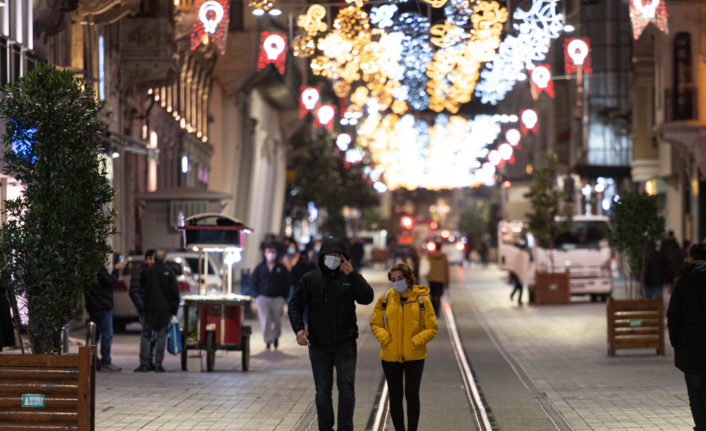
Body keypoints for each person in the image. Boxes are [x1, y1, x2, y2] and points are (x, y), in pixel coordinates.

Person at [288, 238, 374, 431]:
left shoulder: (349, 278)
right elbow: (294, 305)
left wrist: (353, 274)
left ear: (345, 259)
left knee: (346, 389)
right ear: (322, 257)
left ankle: (345, 428)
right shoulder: (310, 279)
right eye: (330, 255)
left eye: (338, 256)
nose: (333, 259)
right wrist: (299, 329)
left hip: (346, 343)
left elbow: (367, 298)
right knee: (323, 392)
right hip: (318, 344)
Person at [370, 263, 438, 431]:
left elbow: (432, 327)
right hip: (390, 355)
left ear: (409, 279)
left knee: (412, 395)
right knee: (395, 396)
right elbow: (376, 324)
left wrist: (416, 341)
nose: (396, 282)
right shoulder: (385, 299)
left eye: (400, 278)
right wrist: (386, 339)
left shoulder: (422, 300)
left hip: (415, 355)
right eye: (393, 279)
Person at [667, 243, 706, 431]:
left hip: (690, 347)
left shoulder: (683, 282)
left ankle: (701, 425)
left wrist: (676, 341)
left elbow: (673, 315)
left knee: (695, 392)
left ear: (692, 258)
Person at [134, 250, 179, 372]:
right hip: (165, 310)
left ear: (154, 258)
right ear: (164, 259)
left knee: (146, 335)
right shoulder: (169, 272)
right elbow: (175, 293)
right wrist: (173, 310)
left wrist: (143, 307)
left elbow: (142, 287)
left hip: (149, 309)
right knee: (161, 336)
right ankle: (158, 365)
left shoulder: (147, 271)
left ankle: (144, 364)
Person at [85, 257, 125, 372]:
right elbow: (111, 280)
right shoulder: (98, 269)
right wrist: (116, 270)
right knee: (107, 334)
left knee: (94, 336)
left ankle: (94, 361)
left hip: (93, 306)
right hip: (102, 306)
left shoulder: (87, 269)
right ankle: (105, 361)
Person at [252, 244, 290, 349]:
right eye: (269, 252)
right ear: (265, 253)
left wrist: (284, 296)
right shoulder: (260, 268)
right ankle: (268, 340)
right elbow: (253, 282)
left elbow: (287, 282)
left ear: (276, 253)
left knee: (277, 320)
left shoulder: (281, 268)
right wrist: (256, 296)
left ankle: (276, 337)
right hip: (263, 298)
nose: (271, 254)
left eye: (273, 252)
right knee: (265, 320)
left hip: (277, 298)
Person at [129, 249, 156, 370]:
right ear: (146, 259)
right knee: (147, 335)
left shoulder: (154, 272)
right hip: (145, 310)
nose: (152, 261)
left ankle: (149, 361)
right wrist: (141, 306)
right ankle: (145, 362)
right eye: (150, 259)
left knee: (152, 337)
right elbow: (134, 291)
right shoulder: (139, 273)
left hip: (153, 309)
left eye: (153, 259)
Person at [426, 242, 449, 316]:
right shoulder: (444, 257)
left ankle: (432, 310)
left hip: (431, 278)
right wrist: (447, 282)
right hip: (441, 280)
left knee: (432, 295)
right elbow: (446, 270)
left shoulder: (430, 256)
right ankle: (437, 311)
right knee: (438, 296)